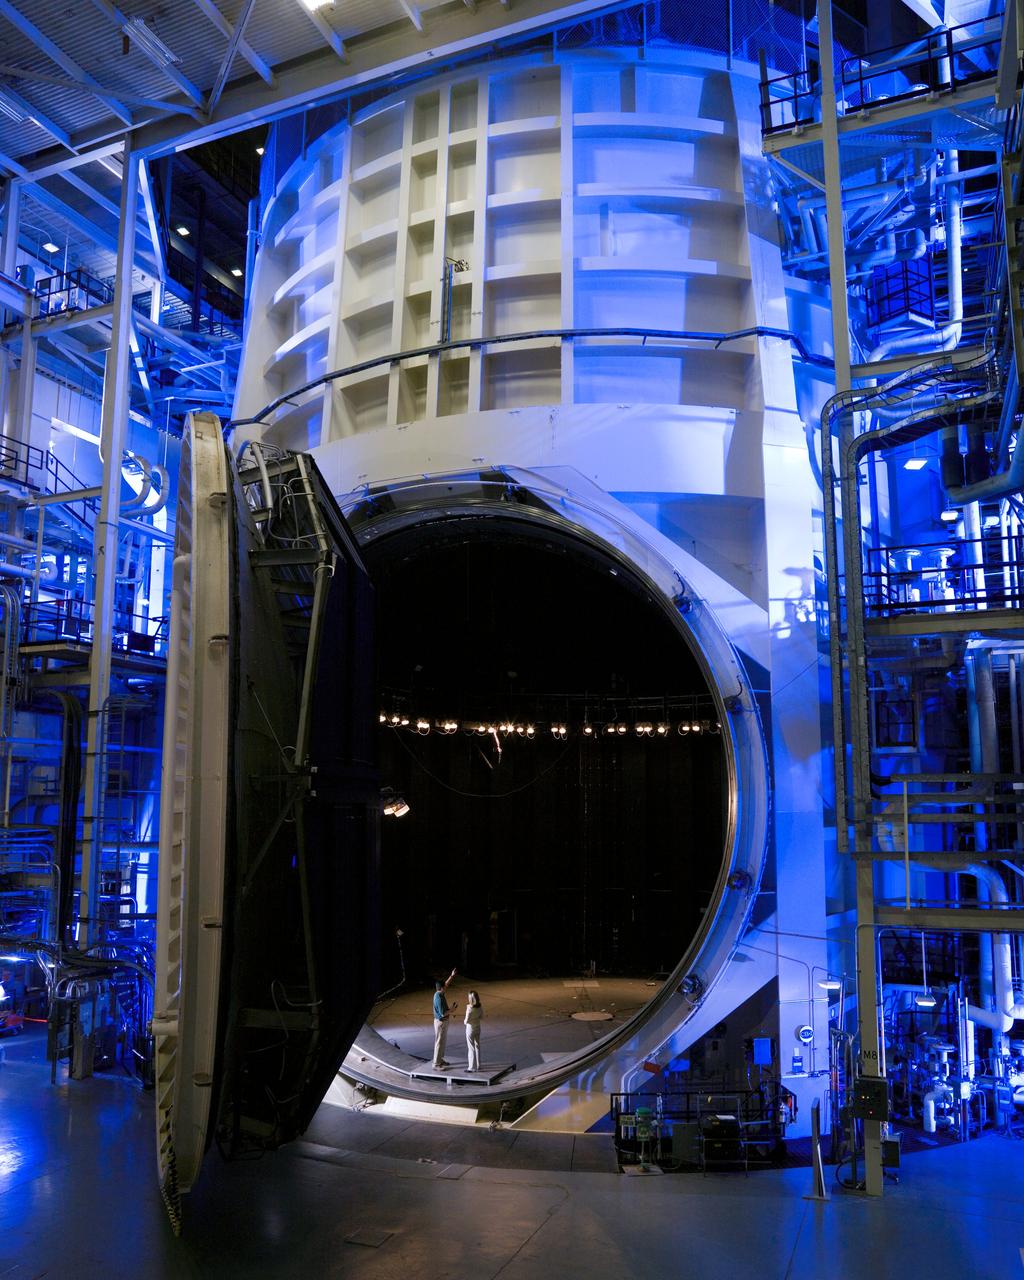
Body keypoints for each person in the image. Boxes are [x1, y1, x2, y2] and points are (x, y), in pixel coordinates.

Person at [432, 968, 457, 1069]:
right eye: (444, 987)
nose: (446, 988)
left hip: (443, 1022)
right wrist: (452, 1009)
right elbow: (443, 1013)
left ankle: (440, 1059)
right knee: (439, 1042)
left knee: (442, 1042)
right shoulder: (438, 998)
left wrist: (452, 975)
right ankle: (436, 1063)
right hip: (441, 1022)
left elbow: (446, 983)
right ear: (441, 988)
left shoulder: (439, 992)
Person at [464, 990, 482, 1071]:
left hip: (470, 1029)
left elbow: (466, 1021)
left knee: (471, 1048)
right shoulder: (480, 1007)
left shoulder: (469, 1008)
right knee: (477, 1046)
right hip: (478, 1027)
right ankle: (479, 1065)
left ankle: (471, 1067)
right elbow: (482, 1017)